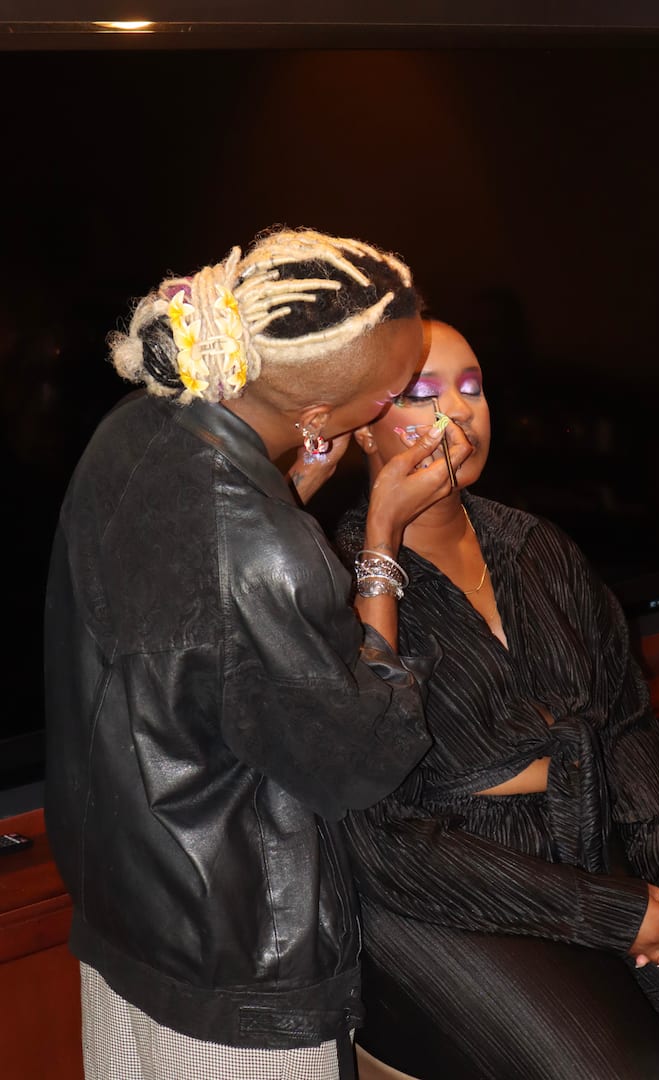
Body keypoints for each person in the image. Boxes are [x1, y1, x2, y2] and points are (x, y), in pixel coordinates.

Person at [43, 230, 472, 1080]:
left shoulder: (131, 432)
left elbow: (196, 630)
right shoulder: (263, 549)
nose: (407, 412)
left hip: (124, 909)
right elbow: (358, 759)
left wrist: (289, 489)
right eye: (391, 396)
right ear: (317, 417)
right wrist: (379, 542)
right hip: (235, 971)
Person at [333, 318, 659, 1080]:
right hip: (446, 883)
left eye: (472, 388)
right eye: (422, 393)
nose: (458, 411)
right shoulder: (336, 584)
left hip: (589, 828)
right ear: (363, 431)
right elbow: (387, 838)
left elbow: (626, 720)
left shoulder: (538, 547)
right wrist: (615, 913)